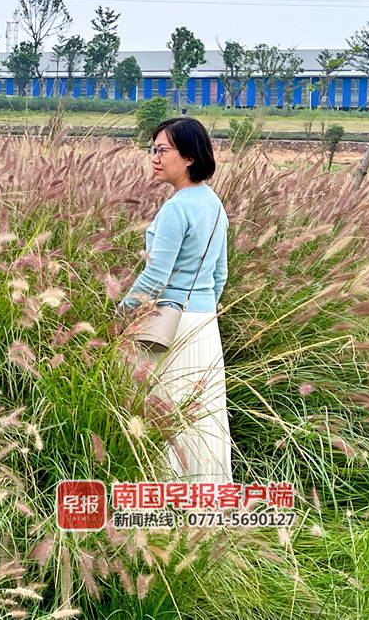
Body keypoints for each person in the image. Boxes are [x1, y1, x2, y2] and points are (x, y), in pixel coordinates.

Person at [120, 118, 232, 484]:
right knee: (202, 418)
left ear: (188, 156)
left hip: (167, 328)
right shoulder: (215, 205)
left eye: (161, 150)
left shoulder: (176, 209)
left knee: (163, 414)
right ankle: (205, 502)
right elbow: (220, 275)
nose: (154, 157)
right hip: (203, 326)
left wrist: (120, 314)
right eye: (152, 149)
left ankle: (167, 503)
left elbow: (155, 277)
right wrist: (202, 311)